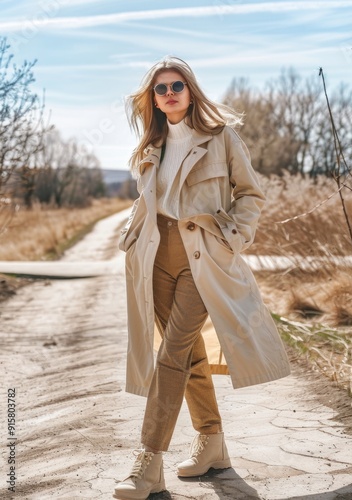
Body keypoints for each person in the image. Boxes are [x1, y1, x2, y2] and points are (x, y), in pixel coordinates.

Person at [114, 56, 290, 500]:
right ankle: (212, 443)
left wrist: (231, 237)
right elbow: (147, 201)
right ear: (152, 99)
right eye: (160, 89)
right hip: (154, 256)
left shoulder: (221, 138)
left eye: (177, 85)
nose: (169, 93)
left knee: (171, 354)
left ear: (190, 90)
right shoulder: (150, 147)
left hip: (202, 255)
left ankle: (148, 462)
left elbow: (250, 194)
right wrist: (130, 236)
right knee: (187, 352)